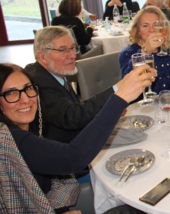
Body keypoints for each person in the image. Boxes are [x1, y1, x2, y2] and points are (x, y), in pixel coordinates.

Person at [0, 63, 154, 214]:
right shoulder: (10, 140)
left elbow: (35, 185)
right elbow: (72, 158)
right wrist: (120, 98)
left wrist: (60, 212)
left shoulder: (26, 132)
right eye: (11, 93)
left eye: (28, 88)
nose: (25, 99)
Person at [25, 26, 153, 144]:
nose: (73, 55)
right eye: (63, 50)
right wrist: (119, 89)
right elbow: (72, 117)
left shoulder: (54, 72)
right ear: (42, 57)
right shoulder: (37, 83)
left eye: (73, 48)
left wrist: (110, 109)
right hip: (67, 154)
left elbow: (77, 109)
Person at [119, 6, 170, 94]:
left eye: (156, 25)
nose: (151, 30)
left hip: (167, 104)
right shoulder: (128, 53)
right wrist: (145, 51)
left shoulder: (168, 52)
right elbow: (125, 87)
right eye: (145, 26)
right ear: (138, 31)